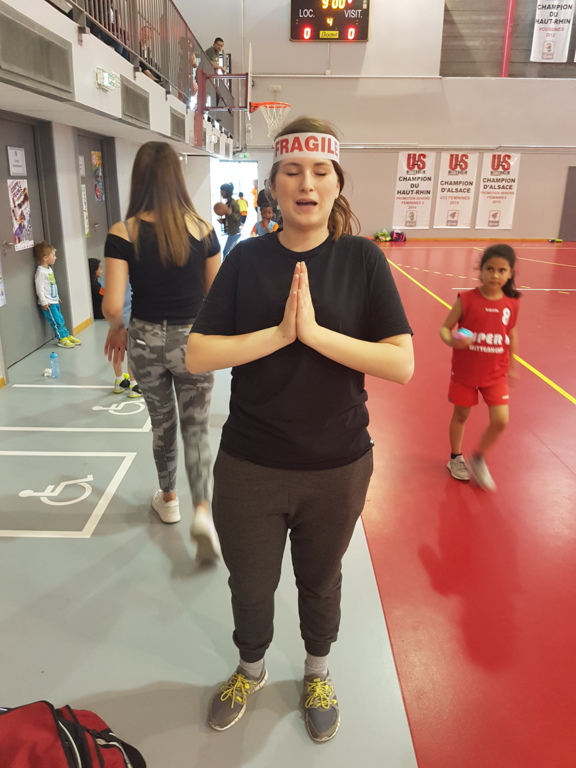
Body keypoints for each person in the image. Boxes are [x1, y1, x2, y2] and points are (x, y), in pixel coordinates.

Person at [186, 116, 414, 742]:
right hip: (251, 463)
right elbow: (199, 353)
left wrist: (314, 335)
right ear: (273, 184)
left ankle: (317, 671)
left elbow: (401, 363)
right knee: (251, 583)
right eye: (292, 171)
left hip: (337, 464)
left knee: (320, 580)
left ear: (337, 183)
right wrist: (281, 334)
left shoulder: (362, 259)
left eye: (319, 172)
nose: (306, 184)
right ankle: (251, 668)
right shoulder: (247, 259)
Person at [103, 141, 221, 561]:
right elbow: (217, 294)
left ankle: (169, 498)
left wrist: (117, 328)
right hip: (194, 341)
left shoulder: (123, 232)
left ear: (139, 179)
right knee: (196, 428)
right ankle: (202, 509)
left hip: (146, 341)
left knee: (162, 425)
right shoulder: (203, 229)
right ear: (177, 178)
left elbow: (113, 305)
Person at [440, 243, 521, 492]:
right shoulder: (466, 300)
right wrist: (452, 340)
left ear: (510, 273)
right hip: (465, 373)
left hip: (496, 373)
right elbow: (445, 328)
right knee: (461, 416)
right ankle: (455, 458)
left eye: (501, 270)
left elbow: (511, 334)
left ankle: (478, 457)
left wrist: (513, 365)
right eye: (490, 269)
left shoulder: (511, 303)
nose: (495, 275)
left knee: (501, 421)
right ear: (481, 270)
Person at [34, 241, 82, 349]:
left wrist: (57, 297)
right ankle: (61, 339)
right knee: (56, 321)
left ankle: (66, 335)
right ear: (45, 258)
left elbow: (52, 285)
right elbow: (40, 289)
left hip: (54, 300)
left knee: (60, 319)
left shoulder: (49, 270)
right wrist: (44, 302)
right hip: (48, 303)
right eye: (53, 255)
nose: (55, 257)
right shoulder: (40, 272)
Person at [218, 183, 242, 259]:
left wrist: (229, 213)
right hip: (232, 231)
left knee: (225, 252)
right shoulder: (228, 203)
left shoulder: (233, 204)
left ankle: (225, 266)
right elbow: (230, 219)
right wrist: (223, 221)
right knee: (234, 253)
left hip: (234, 232)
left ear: (226, 192)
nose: (221, 194)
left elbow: (238, 218)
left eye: (222, 192)